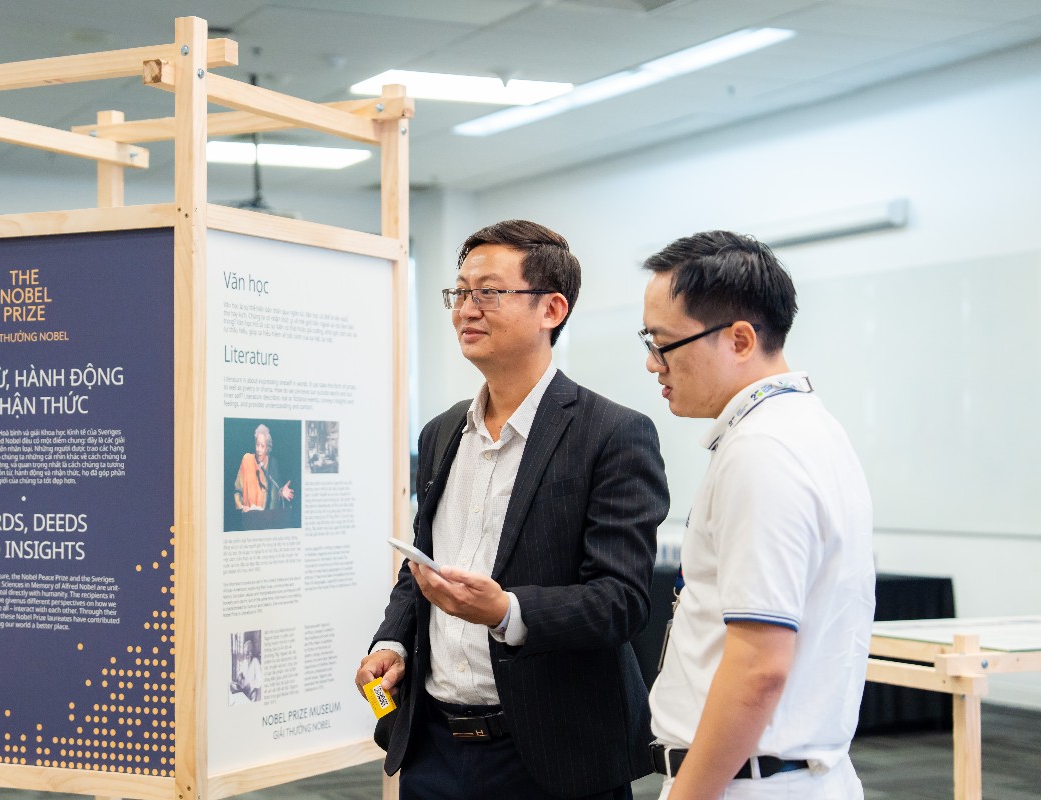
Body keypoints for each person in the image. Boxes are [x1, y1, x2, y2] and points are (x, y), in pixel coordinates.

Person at [355, 220, 670, 800]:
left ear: (551, 308)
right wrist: (391, 643)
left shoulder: (613, 434)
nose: (466, 309)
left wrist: (506, 610)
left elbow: (621, 601)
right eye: (459, 292)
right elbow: (423, 567)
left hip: (553, 754)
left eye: (489, 292)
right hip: (434, 746)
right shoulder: (444, 431)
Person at [639, 231, 875, 800]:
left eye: (663, 343)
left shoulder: (763, 451)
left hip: (750, 782)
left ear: (739, 339)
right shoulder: (807, 429)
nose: (652, 365)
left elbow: (758, 666)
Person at [234, 423, 294, 511]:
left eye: (262, 446)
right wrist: (242, 507)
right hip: (249, 517)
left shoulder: (272, 464)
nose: (259, 449)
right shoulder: (247, 460)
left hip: (267, 518)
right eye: (257, 445)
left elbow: (275, 491)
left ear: (267, 448)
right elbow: (237, 491)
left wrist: (281, 493)